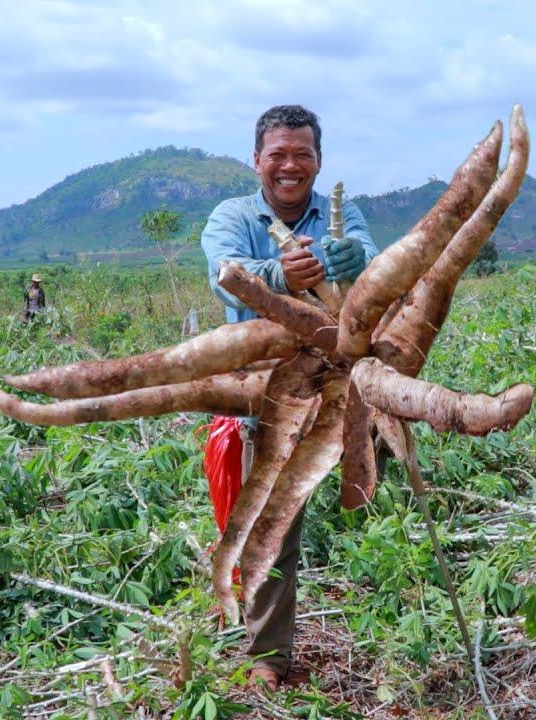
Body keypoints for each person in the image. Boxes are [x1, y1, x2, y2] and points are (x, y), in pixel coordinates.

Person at [200, 104, 379, 692]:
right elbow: (225, 268)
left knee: (374, 464)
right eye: (278, 154)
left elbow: (363, 251)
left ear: (318, 162)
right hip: (266, 383)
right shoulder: (232, 215)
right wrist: (280, 276)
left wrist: (356, 260)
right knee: (272, 522)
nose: (290, 165)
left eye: (303, 154)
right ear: (257, 161)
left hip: (335, 372)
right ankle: (268, 656)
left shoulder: (339, 212)